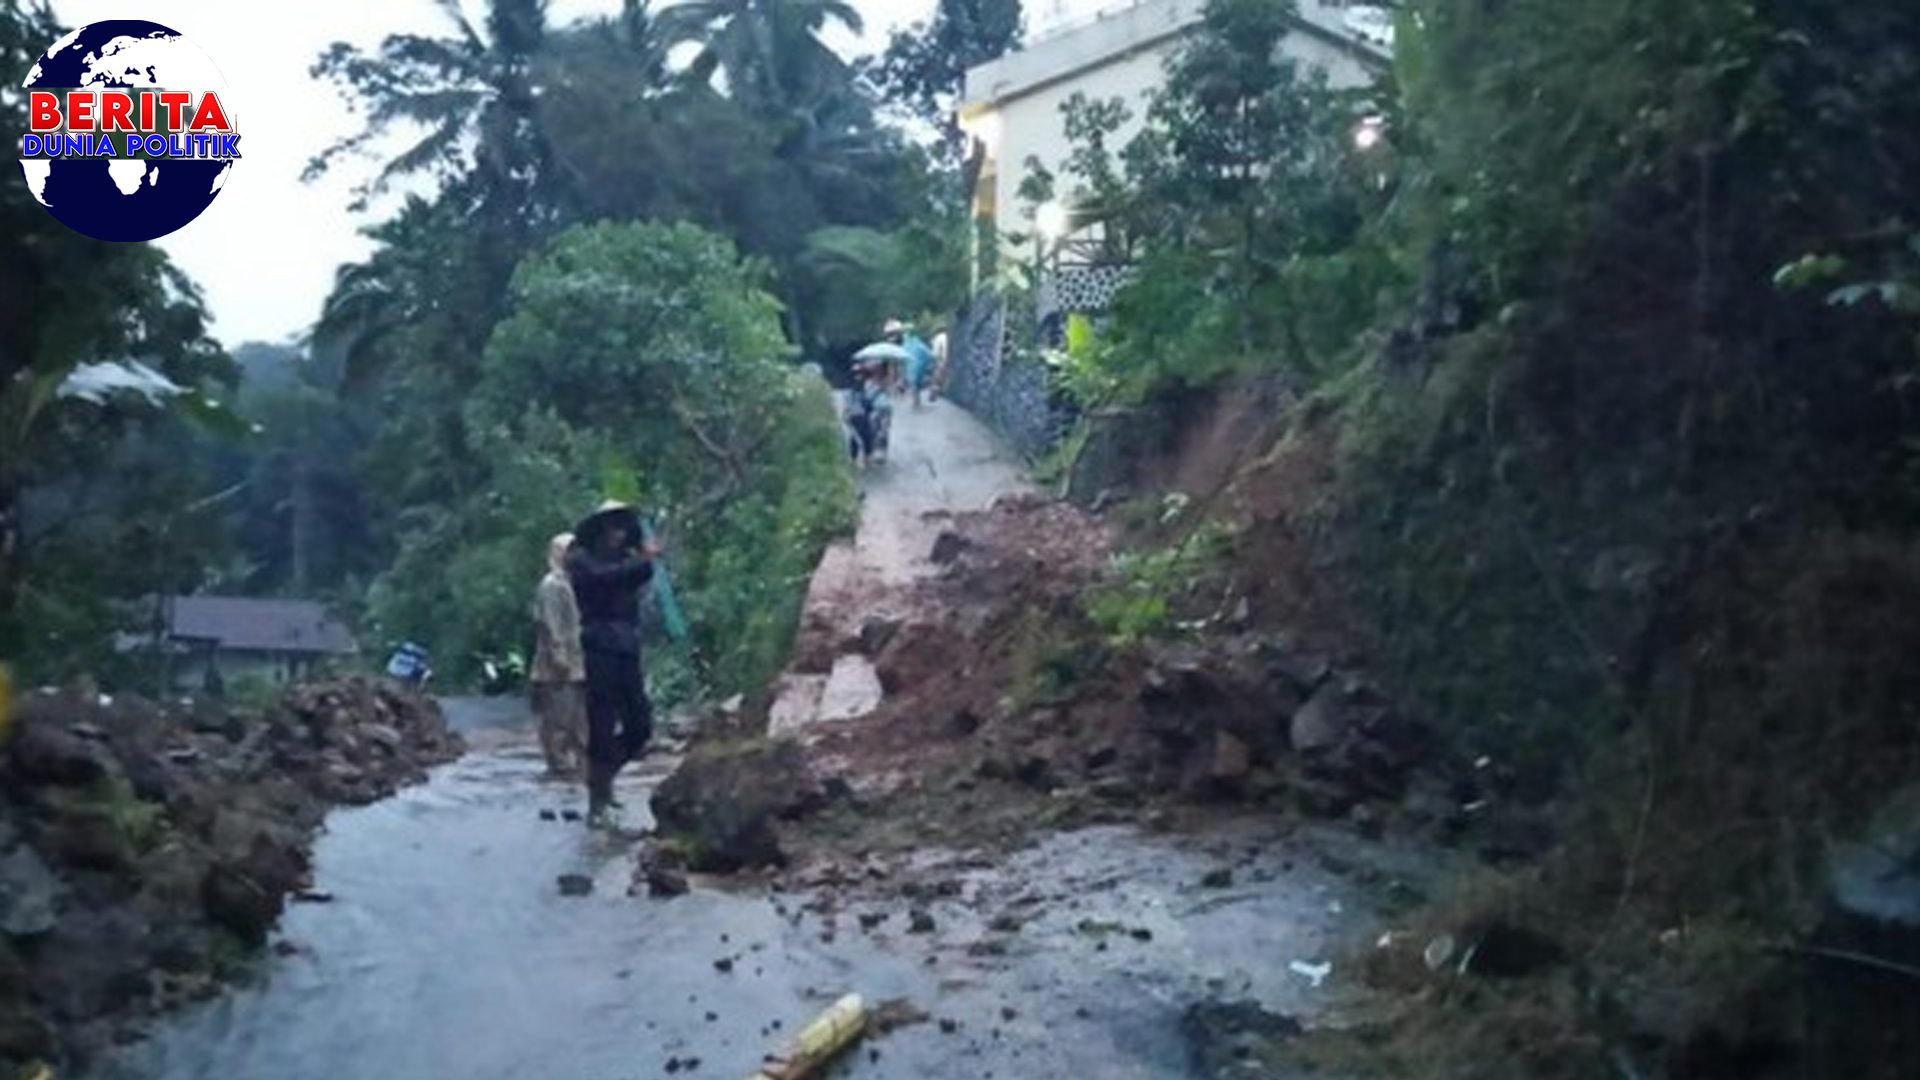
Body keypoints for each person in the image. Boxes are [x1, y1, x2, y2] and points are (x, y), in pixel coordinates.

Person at [565, 501, 661, 827]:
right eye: (611, 528)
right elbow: (606, 579)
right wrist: (643, 559)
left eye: (621, 528)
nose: (616, 534)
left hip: (626, 647)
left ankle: (602, 778)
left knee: (640, 725)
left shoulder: (627, 561)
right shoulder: (581, 561)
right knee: (602, 724)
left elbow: (640, 573)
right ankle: (598, 795)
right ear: (599, 530)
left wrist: (644, 558)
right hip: (598, 647)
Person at [529, 532, 588, 780]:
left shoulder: (574, 582)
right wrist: (559, 656)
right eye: (568, 550)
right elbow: (550, 626)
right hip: (556, 668)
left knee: (579, 720)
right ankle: (559, 767)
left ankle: (579, 767)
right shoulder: (552, 585)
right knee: (558, 720)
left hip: (577, 663)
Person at [884, 318, 938, 408]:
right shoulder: (916, 342)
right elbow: (928, 353)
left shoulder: (906, 343)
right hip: (918, 365)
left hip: (911, 365)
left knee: (914, 384)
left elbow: (903, 354)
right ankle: (917, 400)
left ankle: (916, 401)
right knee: (916, 384)